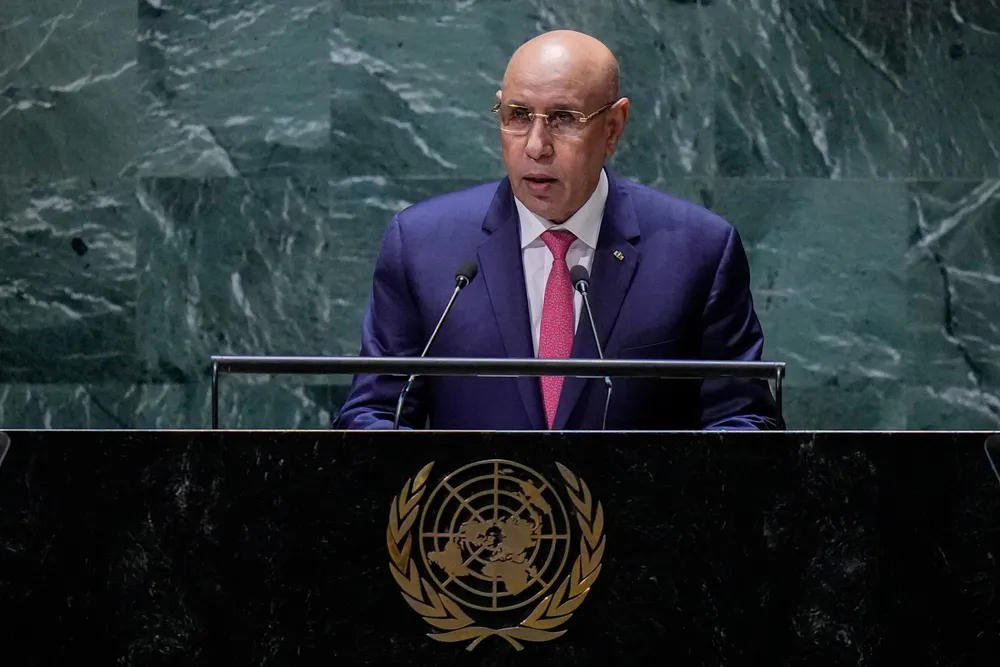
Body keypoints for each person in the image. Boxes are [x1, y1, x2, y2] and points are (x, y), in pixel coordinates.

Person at [335, 30, 782, 431]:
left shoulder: (699, 250)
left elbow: (743, 419)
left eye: (563, 118)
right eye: (517, 115)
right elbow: (375, 411)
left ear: (613, 128)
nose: (535, 146)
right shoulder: (422, 245)